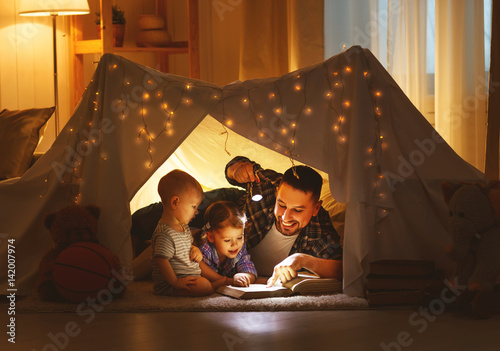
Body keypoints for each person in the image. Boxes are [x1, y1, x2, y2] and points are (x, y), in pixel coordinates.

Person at [225, 156, 343, 287]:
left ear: (316, 208)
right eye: (281, 205)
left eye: (297, 210)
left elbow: (343, 269)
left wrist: (302, 260)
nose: (286, 217)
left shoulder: (320, 230)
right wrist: (236, 169)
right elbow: (234, 168)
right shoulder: (268, 185)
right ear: (277, 193)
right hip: (230, 202)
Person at [151, 169, 225, 296]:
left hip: (188, 277)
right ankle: (212, 286)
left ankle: (211, 284)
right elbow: (161, 261)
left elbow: (183, 247)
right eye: (193, 206)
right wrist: (175, 282)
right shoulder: (164, 234)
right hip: (171, 285)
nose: (196, 212)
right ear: (175, 202)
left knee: (201, 281)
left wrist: (194, 249)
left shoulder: (183, 227)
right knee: (203, 286)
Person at [196, 201, 258, 287]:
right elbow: (200, 269)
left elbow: (247, 265)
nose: (235, 244)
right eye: (227, 240)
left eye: (239, 237)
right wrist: (228, 280)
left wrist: (244, 276)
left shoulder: (240, 247)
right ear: (211, 237)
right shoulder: (205, 248)